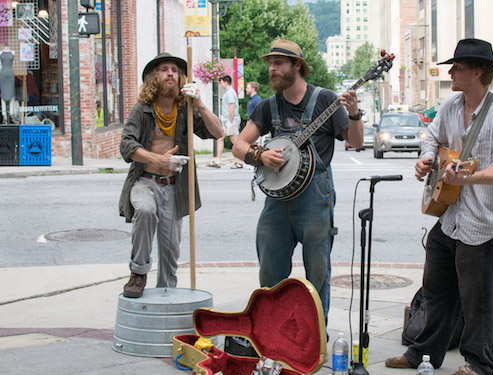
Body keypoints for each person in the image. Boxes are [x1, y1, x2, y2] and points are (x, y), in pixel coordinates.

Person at [384, 38, 493, 375]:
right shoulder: (451, 105)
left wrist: (469, 176)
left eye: (457, 67)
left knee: (478, 297)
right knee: (436, 286)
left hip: (484, 219)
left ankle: (479, 365)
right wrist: (426, 157)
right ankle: (423, 352)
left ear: (478, 71)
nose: (450, 72)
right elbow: (431, 135)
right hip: (452, 215)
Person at [232, 39, 364, 323]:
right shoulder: (269, 106)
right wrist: (260, 155)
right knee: (269, 274)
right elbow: (239, 145)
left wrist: (353, 113)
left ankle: (314, 339)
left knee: (317, 274)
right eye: (270, 64)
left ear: (297, 66)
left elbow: (355, 141)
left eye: (278, 63)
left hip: (315, 199)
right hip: (277, 201)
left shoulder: (326, 100)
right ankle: (271, 334)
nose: (272, 69)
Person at [118, 53, 223, 298]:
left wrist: (200, 104)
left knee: (170, 249)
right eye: (164, 69)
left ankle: (166, 294)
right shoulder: (142, 109)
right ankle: (138, 272)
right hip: (146, 182)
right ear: (155, 77)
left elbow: (217, 132)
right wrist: (159, 160)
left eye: (175, 70)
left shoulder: (185, 109)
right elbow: (127, 146)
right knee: (144, 210)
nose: (170, 74)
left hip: (175, 187)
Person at [208, 75, 243, 169]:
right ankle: (218, 160)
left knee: (234, 140)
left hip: (231, 120)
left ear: (225, 82)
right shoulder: (227, 92)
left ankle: (240, 160)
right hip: (227, 120)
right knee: (220, 138)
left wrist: (230, 122)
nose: (220, 84)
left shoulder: (230, 93)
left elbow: (231, 107)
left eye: (221, 82)